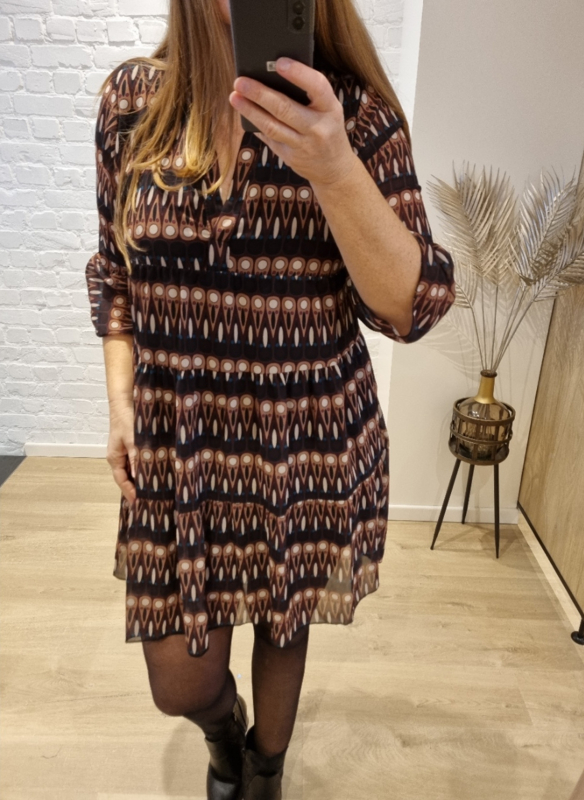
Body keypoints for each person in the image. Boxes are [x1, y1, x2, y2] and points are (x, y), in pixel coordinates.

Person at [84, 0, 456, 797]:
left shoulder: (356, 116)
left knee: (284, 616)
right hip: (180, 444)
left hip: (306, 434)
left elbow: (410, 306)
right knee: (181, 685)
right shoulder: (133, 102)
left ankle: (266, 768)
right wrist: (120, 401)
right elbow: (113, 268)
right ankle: (225, 731)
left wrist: (335, 167)